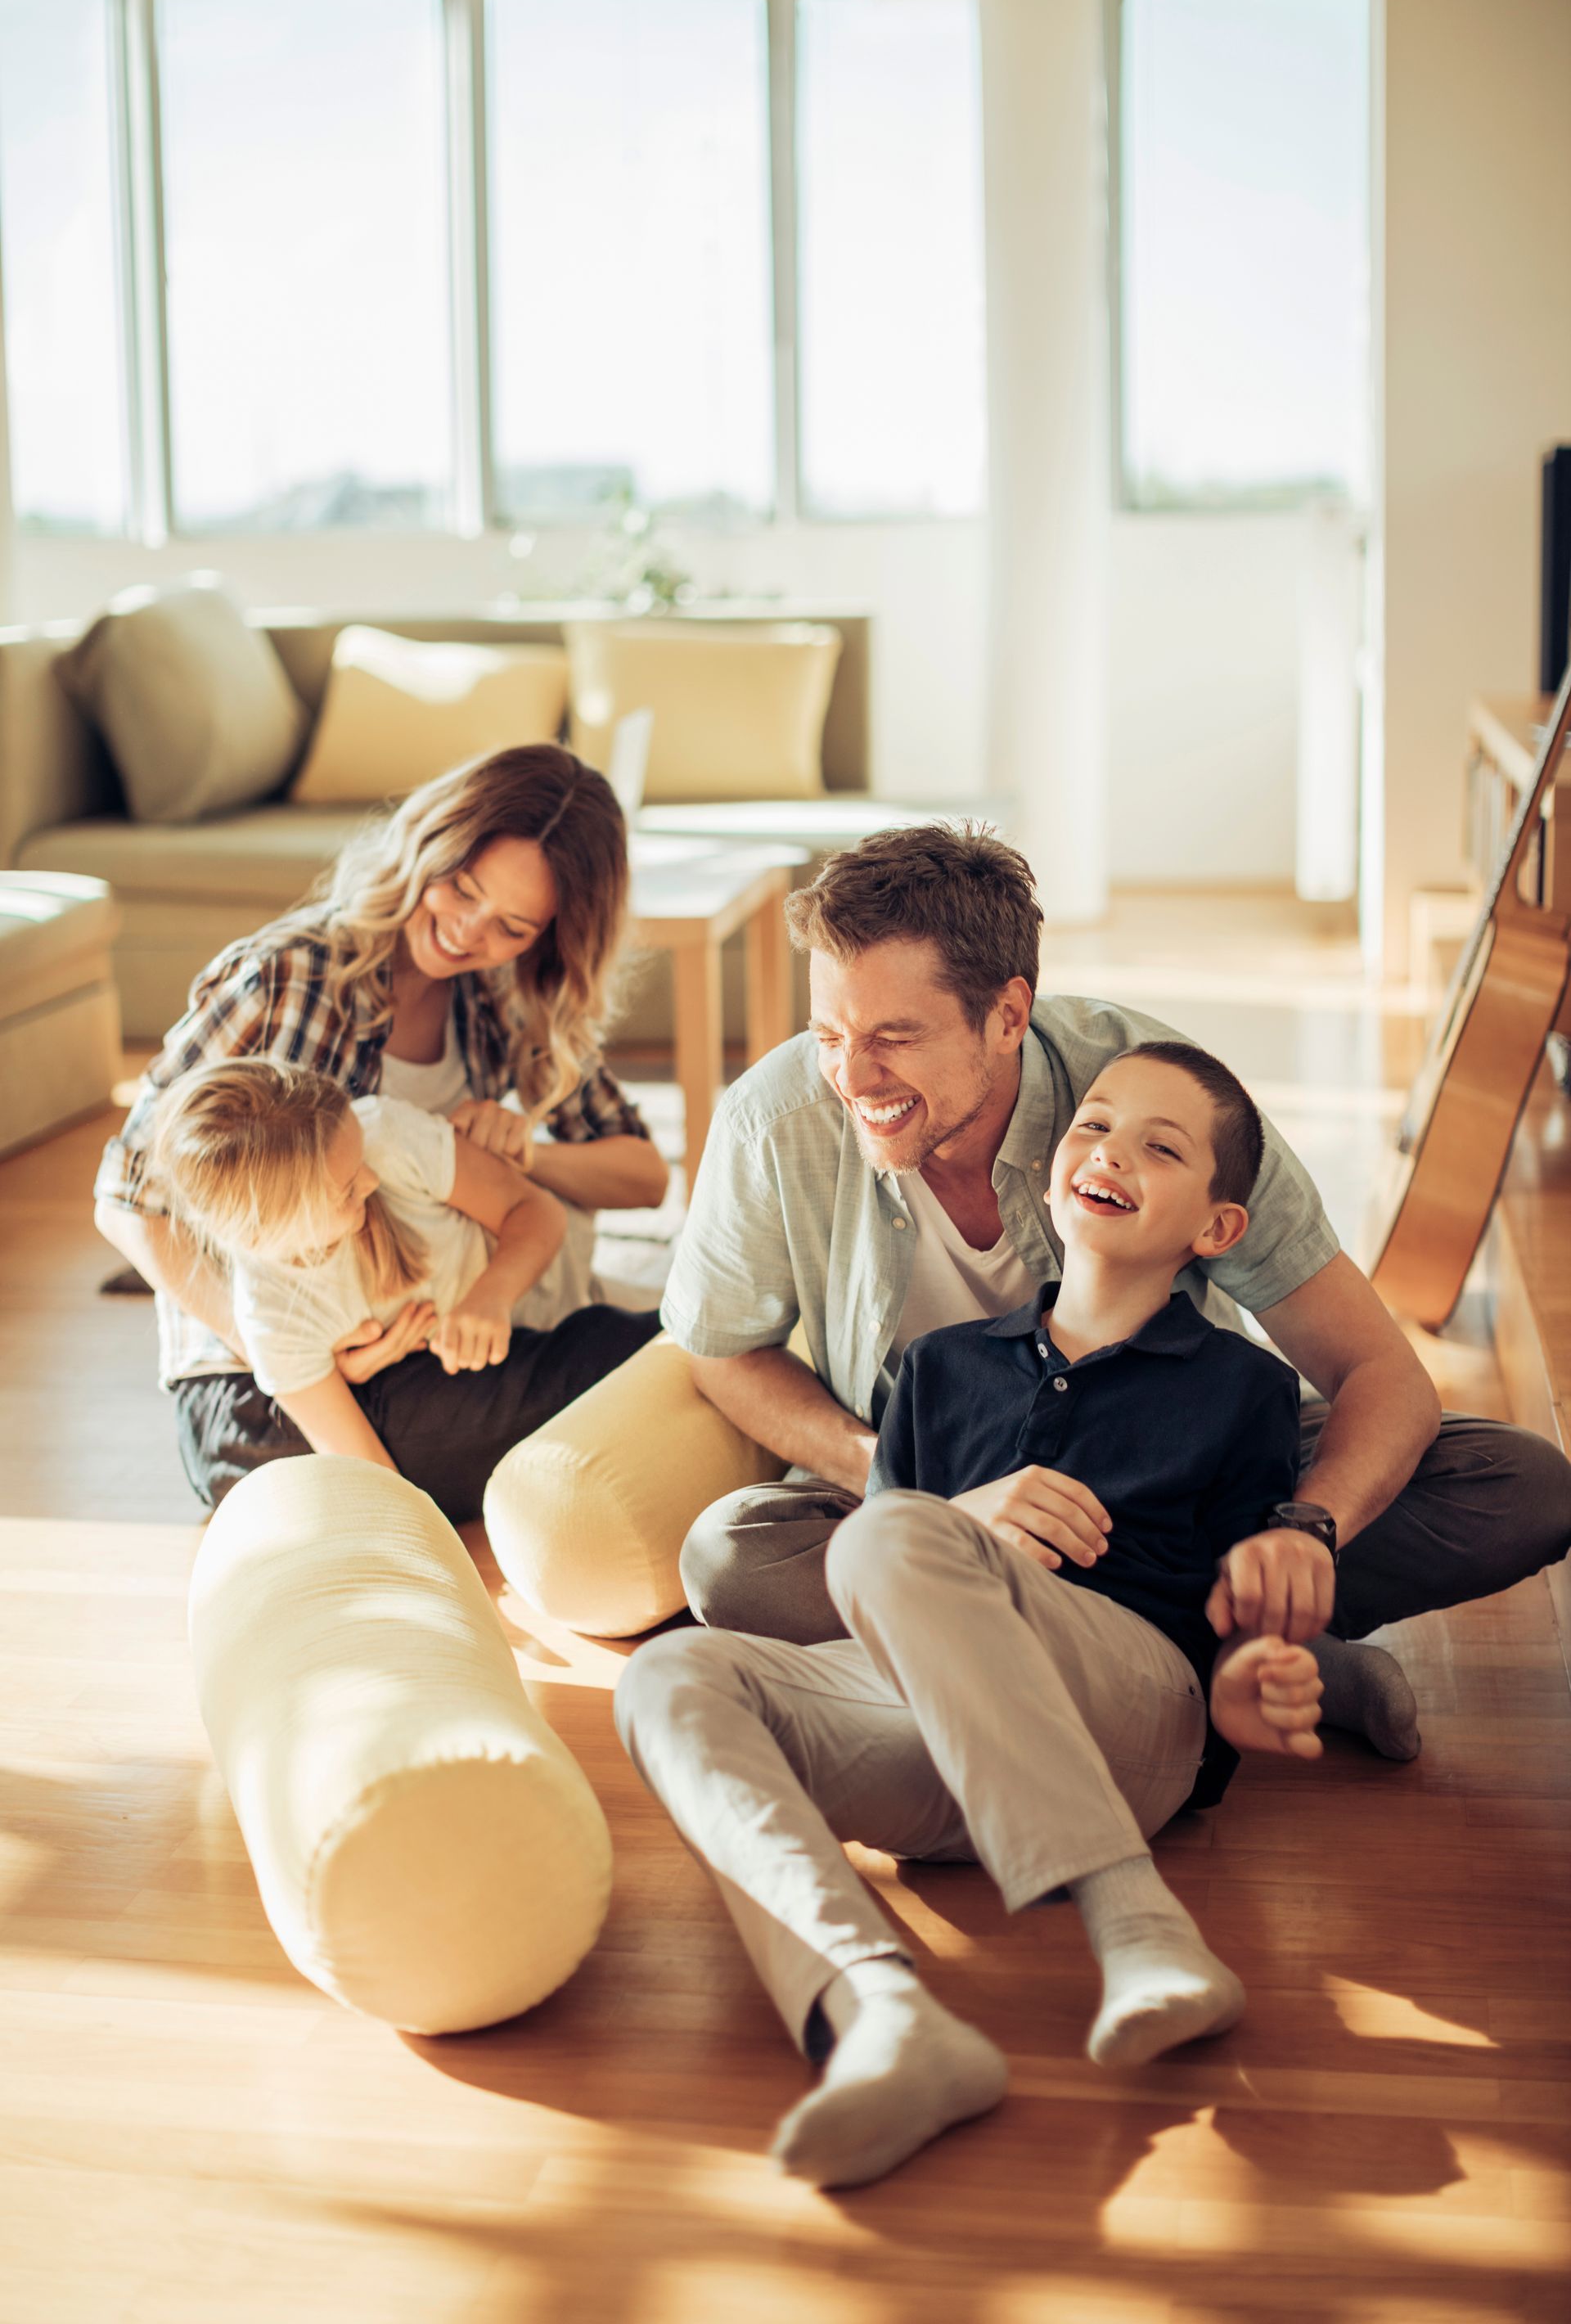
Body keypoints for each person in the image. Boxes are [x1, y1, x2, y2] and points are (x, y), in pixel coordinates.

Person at [664, 823, 1571, 1756]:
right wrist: (924, 1505)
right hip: (938, 1486)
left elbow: (1377, 1366)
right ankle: (1245, 1665)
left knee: (1522, 1487)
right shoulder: (772, 1121)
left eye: (895, 1038)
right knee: (730, 1559)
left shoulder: (1156, 1095)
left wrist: (1304, 1529)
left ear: (1009, 1015)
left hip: (1174, 1481)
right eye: (829, 1036)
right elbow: (721, 1349)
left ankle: (1072, 1660)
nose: (852, 1079)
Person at [616, 1039, 1326, 2189]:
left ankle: (1137, 1925)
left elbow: (1235, 1606)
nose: (1112, 1153)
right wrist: (962, 1521)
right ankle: (884, 2016)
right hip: (935, 1737)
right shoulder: (938, 1370)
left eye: (1162, 1146)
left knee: (892, 1529)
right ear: (1051, 1173)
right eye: (1094, 1127)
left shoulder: (1241, 1389)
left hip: (1130, 1721)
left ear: (1218, 1230)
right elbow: (886, 1585)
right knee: (667, 1677)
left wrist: (1255, 1680)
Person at [95, 742, 665, 1511]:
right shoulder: (285, 978)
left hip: (419, 1352)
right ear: (429, 845)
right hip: (261, 1390)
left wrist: (525, 1153)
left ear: (549, 936)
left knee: (634, 1356)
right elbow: (126, 1196)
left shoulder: (499, 999)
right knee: (636, 1369)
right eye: (461, 889)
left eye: (512, 927)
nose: (469, 933)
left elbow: (642, 1174)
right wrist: (299, 1349)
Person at [148, 1057, 641, 1520]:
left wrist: (491, 1295)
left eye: (359, 1158)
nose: (369, 1179)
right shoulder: (271, 1319)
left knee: (618, 1356)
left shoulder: (387, 1134)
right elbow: (375, 1479)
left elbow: (537, 1213)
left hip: (556, 1301)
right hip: (477, 1369)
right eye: (345, 1188)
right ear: (265, 1233)